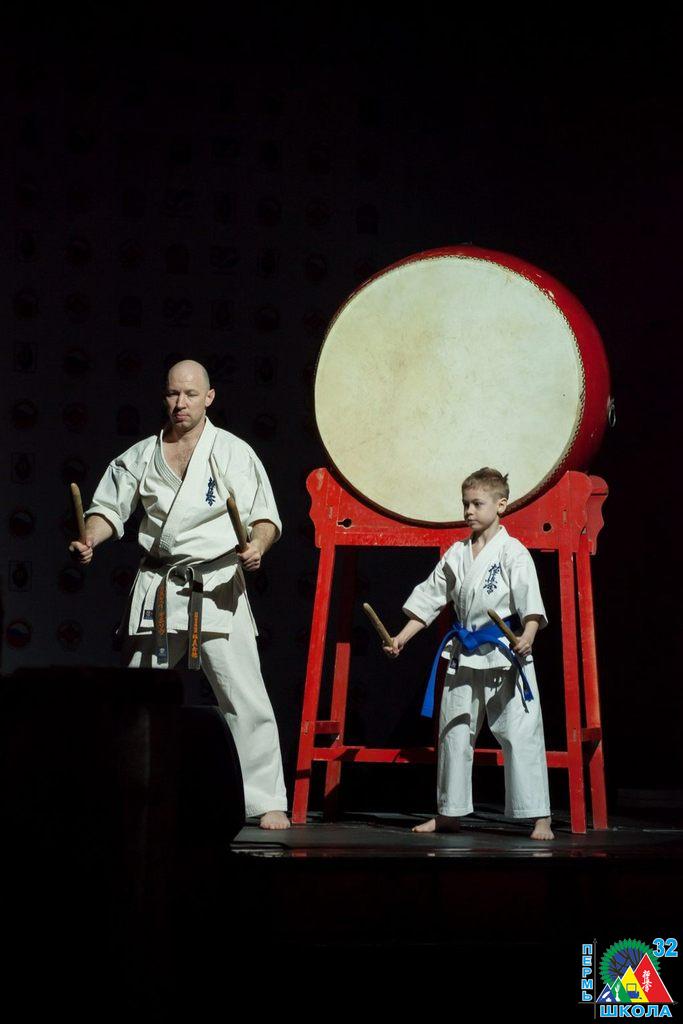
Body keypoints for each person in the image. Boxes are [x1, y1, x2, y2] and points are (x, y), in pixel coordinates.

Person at [69, 359, 289, 830]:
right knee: (138, 697)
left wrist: (257, 545)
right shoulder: (141, 455)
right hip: (162, 585)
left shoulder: (233, 452)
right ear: (163, 397)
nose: (180, 403)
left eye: (190, 394)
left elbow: (264, 516)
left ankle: (264, 798)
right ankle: (129, 787)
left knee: (244, 695)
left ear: (209, 397)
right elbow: (108, 509)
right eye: (173, 394)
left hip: (218, 583)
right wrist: (91, 537)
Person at [384, 467, 553, 840]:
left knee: (520, 732)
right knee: (454, 732)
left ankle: (540, 816)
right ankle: (449, 813)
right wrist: (401, 637)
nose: (468, 511)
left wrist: (527, 636)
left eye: (477, 504)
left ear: (501, 504)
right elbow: (430, 599)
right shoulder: (457, 553)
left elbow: (530, 604)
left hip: (505, 653)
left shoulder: (513, 552)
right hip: (463, 653)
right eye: (465, 504)